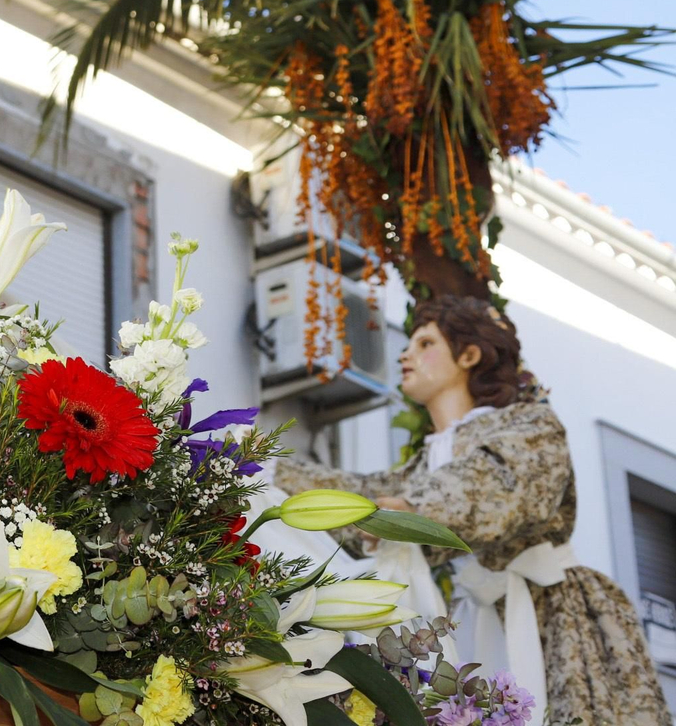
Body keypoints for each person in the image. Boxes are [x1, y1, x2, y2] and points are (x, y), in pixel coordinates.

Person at [276, 296, 671, 724]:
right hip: (475, 615)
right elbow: (362, 494)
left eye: (425, 343)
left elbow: (495, 485)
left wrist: (407, 511)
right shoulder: (427, 464)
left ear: (469, 355)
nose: (406, 354)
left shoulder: (530, 426)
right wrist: (266, 468)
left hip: (554, 613)